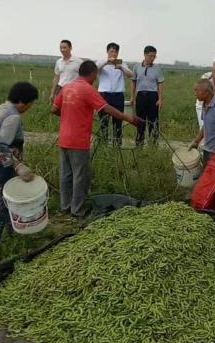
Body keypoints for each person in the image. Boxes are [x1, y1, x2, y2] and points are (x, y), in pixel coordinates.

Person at [53, 61, 141, 218]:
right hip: (78, 141)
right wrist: (129, 118)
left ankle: (65, 207)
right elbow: (107, 109)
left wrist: (70, 115)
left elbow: (54, 109)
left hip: (64, 139)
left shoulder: (67, 87)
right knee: (80, 176)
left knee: (66, 175)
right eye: (96, 75)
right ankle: (77, 211)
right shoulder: (88, 89)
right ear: (93, 74)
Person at [0, 82, 39, 261]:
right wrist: (17, 165)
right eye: (31, 103)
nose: (30, 107)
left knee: (10, 202)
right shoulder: (13, 117)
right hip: (1, 168)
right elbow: (0, 145)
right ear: (23, 102)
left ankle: (15, 232)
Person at [96, 43, 134, 146]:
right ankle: (103, 145)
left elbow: (131, 75)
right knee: (104, 121)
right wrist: (107, 62)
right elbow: (95, 70)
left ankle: (117, 145)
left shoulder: (122, 63)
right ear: (107, 52)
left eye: (116, 51)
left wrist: (121, 67)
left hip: (118, 95)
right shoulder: (101, 62)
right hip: (104, 95)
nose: (114, 54)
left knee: (118, 121)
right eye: (111, 51)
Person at [131, 45, 165, 146]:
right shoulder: (136, 67)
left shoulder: (157, 68)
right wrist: (133, 97)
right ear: (145, 55)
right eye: (150, 56)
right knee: (140, 120)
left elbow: (160, 83)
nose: (152, 58)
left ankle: (153, 143)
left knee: (153, 120)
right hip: (141, 96)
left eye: (154, 56)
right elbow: (133, 82)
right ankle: (139, 142)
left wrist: (160, 99)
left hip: (153, 96)